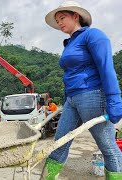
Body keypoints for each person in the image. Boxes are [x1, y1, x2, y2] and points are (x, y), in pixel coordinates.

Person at [42, 1, 122, 179]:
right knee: (59, 144)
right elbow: (70, 75)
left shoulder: (93, 35)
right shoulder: (70, 43)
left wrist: (114, 99)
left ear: (76, 16)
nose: (59, 23)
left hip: (93, 95)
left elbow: (106, 67)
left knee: (108, 147)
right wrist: (66, 99)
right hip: (72, 100)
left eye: (62, 18)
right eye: (57, 20)